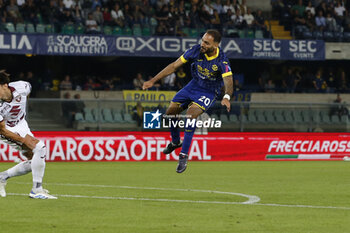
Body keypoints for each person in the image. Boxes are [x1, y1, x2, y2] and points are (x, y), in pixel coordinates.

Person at [143, 30, 233, 173]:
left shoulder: (222, 60)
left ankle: (183, 155)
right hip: (193, 85)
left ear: (216, 45)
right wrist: (153, 80)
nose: (202, 44)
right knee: (170, 113)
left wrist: (226, 97)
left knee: (190, 116)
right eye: (202, 40)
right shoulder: (195, 50)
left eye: (206, 43)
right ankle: (175, 141)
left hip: (208, 91)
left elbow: (228, 81)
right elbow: (174, 66)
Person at [0, 70, 57, 199]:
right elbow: (2, 131)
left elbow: (28, 90)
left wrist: (22, 107)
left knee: (34, 160)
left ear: (5, 85)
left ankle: (2, 176)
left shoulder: (22, 86)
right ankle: (36, 190)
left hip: (21, 124)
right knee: (40, 147)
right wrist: (23, 140)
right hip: (7, 129)